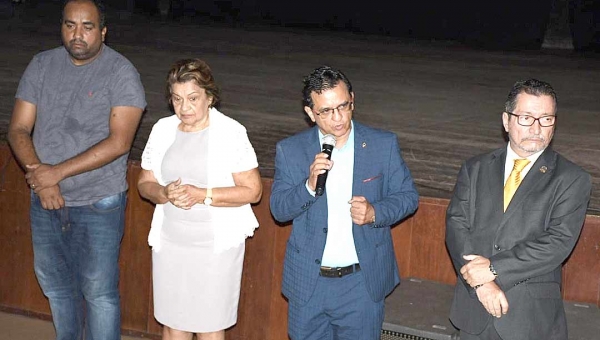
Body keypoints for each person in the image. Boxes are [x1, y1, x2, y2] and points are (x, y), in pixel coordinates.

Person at [7, 0, 146, 339]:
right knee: (56, 287)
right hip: (46, 199)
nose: (78, 34)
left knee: (99, 293)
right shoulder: (42, 64)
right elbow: (18, 129)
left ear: (103, 31)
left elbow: (119, 142)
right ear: (62, 27)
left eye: (87, 26)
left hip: (99, 202)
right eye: (70, 25)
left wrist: (56, 173)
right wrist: (42, 178)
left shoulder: (121, 72)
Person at [270, 66, 419, 340]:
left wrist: (375, 212)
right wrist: (308, 186)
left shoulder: (381, 144)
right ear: (310, 113)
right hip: (309, 285)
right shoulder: (291, 150)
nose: (337, 118)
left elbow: (408, 197)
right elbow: (279, 210)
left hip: (360, 284)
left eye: (343, 106)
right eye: (326, 111)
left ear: (353, 99)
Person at [445, 79, 592, 340]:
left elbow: (557, 243)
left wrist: (493, 270)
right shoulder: (475, 168)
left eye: (545, 119)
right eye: (526, 117)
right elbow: (457, 227)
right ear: (506, 120)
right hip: (473, 312)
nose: (536, 128)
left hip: (530, 320)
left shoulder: (571, 178)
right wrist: (481, 283)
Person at [137, 58, 262, 340]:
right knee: (172, 323)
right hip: (170, 243)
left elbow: (253, 191)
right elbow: (145, 183)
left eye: (192, 98)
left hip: (214, 247)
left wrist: (202, 195)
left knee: (209, 325)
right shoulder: (162, 129)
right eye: (177, 99)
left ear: (210, 97)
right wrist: (163, 193)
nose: (184, 108)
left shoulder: (231, 132)